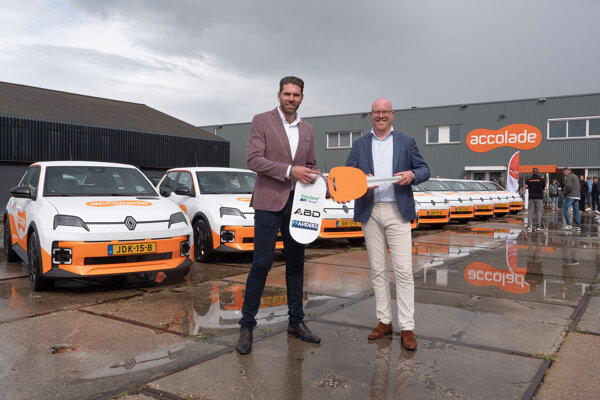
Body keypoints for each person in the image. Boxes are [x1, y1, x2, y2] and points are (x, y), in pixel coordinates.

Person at [236, 76, 321, 355]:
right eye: (287, 94)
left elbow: (311, 165)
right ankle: (247, 327)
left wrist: (320, 180)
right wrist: (289, 171)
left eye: (296, 95)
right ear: (279, 95)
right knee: (261, 264)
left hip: (298, 205)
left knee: (296, 265)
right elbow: (253, 159)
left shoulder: (308, 129)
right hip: (268, 203)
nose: (291, 98)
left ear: (302, 98)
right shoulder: (262, 121)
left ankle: (296, 323)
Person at [345, 98, 430, 350]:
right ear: (371, 115)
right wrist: (361, 178)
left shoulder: (406, 141)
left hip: (397, 210)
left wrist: (413, 174)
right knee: (378, 270)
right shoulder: (359, 144)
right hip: (370, 211)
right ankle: (384, 321)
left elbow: (424, 169)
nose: (380, 115)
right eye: (376, 112)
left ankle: (407, 327)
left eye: (385, 111)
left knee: (403, 271)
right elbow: (348, 174)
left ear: (392, 114)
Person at [562, 167, 581, 232]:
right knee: (576, 211)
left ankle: (568, 224)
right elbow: (579, 186)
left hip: (570, 195)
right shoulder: (576, 176)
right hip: (577, 196)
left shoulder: (569, 176)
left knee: (564, 208)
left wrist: (565, 192)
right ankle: (577, 226)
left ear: (567, 171)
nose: (564, 174)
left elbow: (568, 186)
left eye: (564, 172)